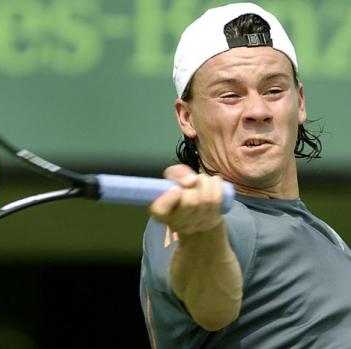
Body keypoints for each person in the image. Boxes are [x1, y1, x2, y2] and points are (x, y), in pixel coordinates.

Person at [139, 2, 351, 348]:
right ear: (186, 117)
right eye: (230, 95)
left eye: (273, 90)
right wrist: (202, 232)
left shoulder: (315, 232)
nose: (257, 110)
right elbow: (211, 307)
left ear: (299, 103)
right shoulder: (213, 220)